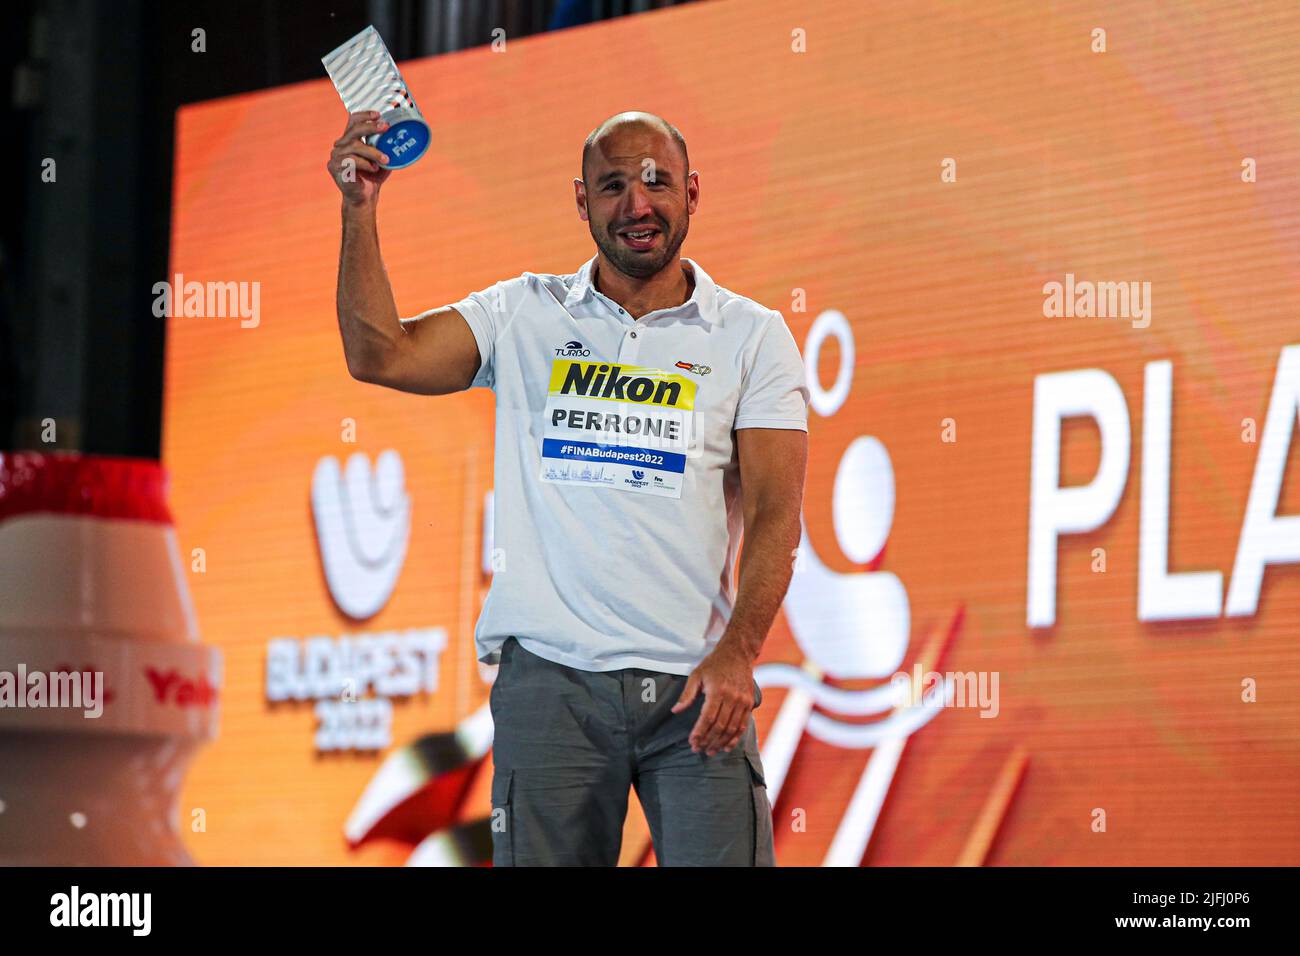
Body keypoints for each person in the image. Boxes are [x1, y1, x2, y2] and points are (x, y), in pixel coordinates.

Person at [328, 109, 809, 866]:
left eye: (656, 181)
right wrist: (360, 208)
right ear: (581, 201)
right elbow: (379, 353)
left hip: (696, 685)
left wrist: (738, 651)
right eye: (612, 185)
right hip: (551, 688)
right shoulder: (523, 313)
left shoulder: (751, 336)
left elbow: (780, 516)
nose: (637, 204)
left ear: (692, 192)